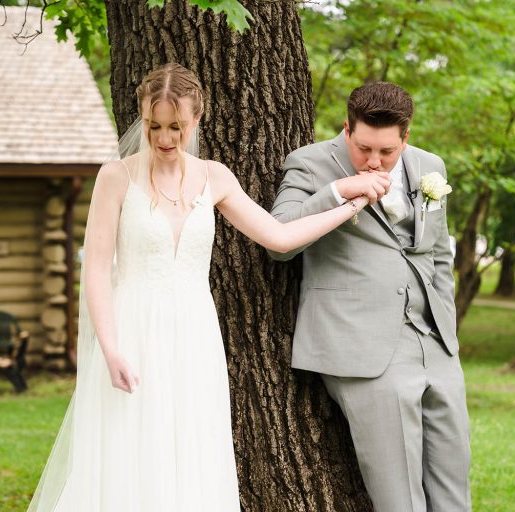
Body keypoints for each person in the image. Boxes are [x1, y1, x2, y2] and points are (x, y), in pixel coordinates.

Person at [27, 63, 390, 512]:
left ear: (196, 120)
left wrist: (348, 202)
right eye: (154, 125)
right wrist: (111, 348)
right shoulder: (115, 177)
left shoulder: (215, 177)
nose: (164, 138)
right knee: (130, 448)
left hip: (195, 337)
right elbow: (97, 271)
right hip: (131, 333)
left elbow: (277, 236)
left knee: (191, 449)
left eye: (176, 127)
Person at [269, 81, 471, 511]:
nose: (374, 161)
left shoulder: (430, 165)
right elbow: (277, 240)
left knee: (453, 487)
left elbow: (437, 256)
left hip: (434, 344)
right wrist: (339, 193)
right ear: (347, 127)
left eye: (386, 152)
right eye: (363, 148)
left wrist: (446, 335)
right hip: (361, 348)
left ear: (406, 137)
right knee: (400, 499)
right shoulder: (309, 164)